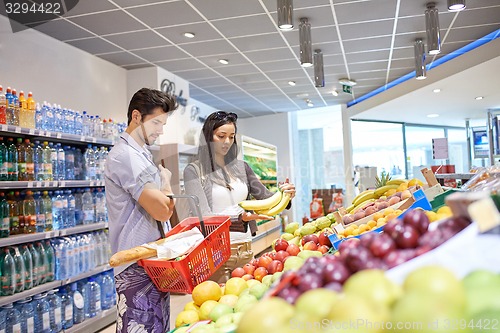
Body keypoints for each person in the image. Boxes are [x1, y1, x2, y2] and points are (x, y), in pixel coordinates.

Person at [183, 111, 296, 283]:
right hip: (214, 253)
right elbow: (202, 217)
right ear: (208, 137)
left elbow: (265, 196)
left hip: (245, 247)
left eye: (231, 136)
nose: (227, 142)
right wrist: (239, 218)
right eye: (221, 136)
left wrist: (285, 194)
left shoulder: (242, 168)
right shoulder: (194, 171)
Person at [104, 88, 177, 333]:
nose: (161, 130)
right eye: (156, 122)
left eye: (163, 123)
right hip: (136, 265)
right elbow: (162, 210)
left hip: (150, 260)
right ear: (136, 116)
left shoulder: (140, 154)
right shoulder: (126, 156)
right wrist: (166, 181)